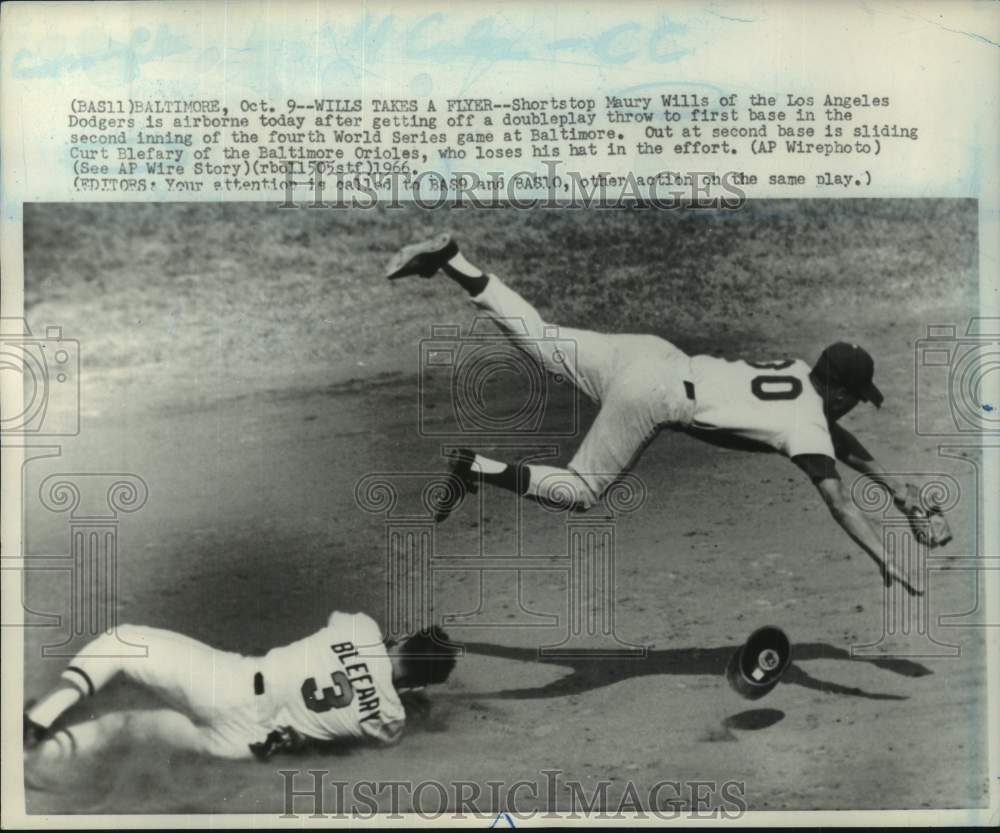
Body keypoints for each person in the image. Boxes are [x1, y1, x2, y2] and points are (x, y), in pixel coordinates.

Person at [385, 232, 949, 597]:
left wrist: (898, 492)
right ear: (841, 394)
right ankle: (476, 468)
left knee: (537, 334)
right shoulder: (806, 426)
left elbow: (833, 436)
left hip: (647, 353)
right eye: (857, 397)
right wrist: (884, 555)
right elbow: (839, 500)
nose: (856, 406)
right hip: (651, 396)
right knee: (580, 491)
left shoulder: (799, 372)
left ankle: (451, 259)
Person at [23, 612, 457, 765]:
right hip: (244, 744)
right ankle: (41, 759)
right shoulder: (391, 722)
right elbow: (358, 734)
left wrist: (380, 649)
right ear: (419, 681)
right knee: (130, 728)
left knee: (122, 641)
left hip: (229, 685)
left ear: (404, 638)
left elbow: (341, 632)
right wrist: (402, 694)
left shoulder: (361, 628)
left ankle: (35, 723)